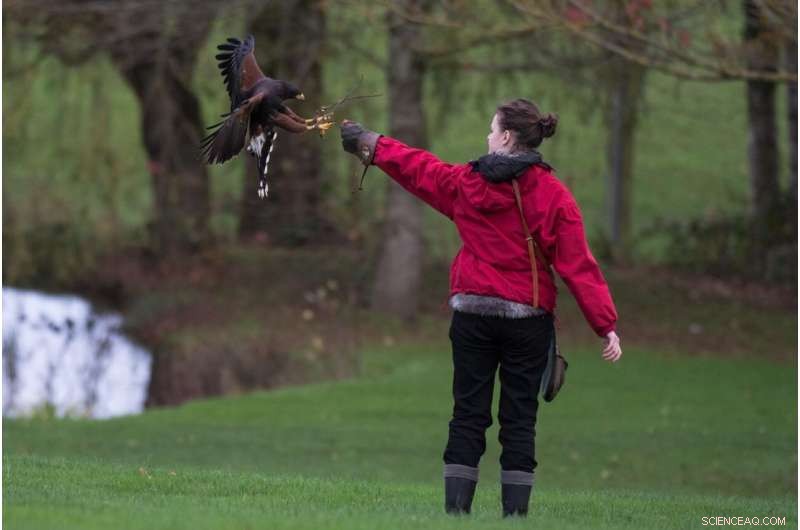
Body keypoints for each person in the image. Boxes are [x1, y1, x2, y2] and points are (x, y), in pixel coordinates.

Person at [339, 98, 622, 518]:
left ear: (506, 137)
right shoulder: (553, 195)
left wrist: (371, 143)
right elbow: (578, 264)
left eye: (492, 130)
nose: (487, 137)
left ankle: (456, 516)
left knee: (467, 415)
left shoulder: (465, 184)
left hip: (471, 316)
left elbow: (419, 169)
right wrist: (606, 325)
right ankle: (515, 518)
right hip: (528, 321)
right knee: (519, 420)